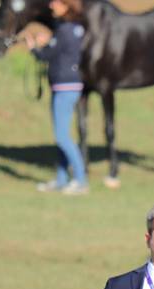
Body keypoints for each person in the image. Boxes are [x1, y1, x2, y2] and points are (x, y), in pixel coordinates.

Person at [27, 0, 89, 195]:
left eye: (56, 2)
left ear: (67, 5)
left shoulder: (64, 30)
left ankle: (81, 181)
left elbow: (47, 55)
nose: (51, 5)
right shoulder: (74, 28)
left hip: (64, 87)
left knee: (62, 137)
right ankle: (62, 180)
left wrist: (34, 47)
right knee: (61, 136)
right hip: (68, 86)